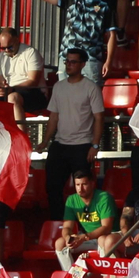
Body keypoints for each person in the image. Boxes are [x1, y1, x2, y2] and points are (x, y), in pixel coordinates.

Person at [37, 50, 104, 222]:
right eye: (67, 62)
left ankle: (86, 227)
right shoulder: (59, 87)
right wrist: (45, 141)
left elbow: (99, 118)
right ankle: (58, 224)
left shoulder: (91, 87)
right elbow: (53, 116)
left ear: (82, 65)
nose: (69, 65)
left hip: (82, 146)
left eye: (74, 62)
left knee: (84, 190)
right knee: (52, 187)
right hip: (60, 144)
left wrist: (94, 145)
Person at [40, 0, 118, 84]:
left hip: (91, 59)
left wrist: (109, 61)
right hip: (68, 58)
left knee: (90, 98)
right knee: (66, 97)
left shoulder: (106, 7)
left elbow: (112, 35)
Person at [57, 167, 118, 272]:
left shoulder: (104, 197)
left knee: (102, 239)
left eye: (84, 184)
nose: (80, 189)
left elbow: (106, 228)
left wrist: (84, 237)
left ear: (92, 183)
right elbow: (67, 226)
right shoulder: (71, 200)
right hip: (87, 238)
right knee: (60, 243)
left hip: (108, 237)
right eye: (77, 185)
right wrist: (68, 238)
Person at [0, 26, 47, 119]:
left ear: (17, 40)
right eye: (3, 48)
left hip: (33, 92)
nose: (6, 50)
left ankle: (21, 132)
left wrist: (12, 88)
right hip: (10, 90)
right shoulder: (0, 57)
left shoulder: (30, 53)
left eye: (9, 47)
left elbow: (33, 81)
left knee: (13, 98)